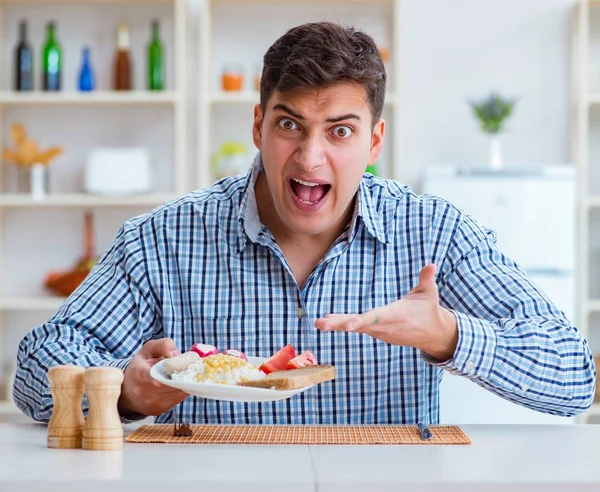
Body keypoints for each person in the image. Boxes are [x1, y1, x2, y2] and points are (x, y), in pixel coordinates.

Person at [14, 22, 595, 425]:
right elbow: (36, 370)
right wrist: (125, 392)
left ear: (373, 142)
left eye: (340, 131)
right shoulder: (163, 239)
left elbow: (575, 375)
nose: (311, 157)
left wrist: (451, 337)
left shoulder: (435, 234)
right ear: (258, 125)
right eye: (290, 125)